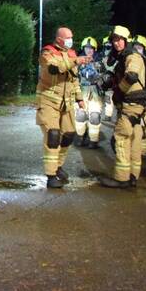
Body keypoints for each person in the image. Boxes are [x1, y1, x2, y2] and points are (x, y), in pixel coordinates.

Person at [35, 26, 91, 188]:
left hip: (66, 103)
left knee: (68, 134)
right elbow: (54, 68)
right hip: (48, 102)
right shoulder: (47, 53)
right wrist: (75, 61)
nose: (70, 40)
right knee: (53, 135)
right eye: (67, 37)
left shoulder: (72, 54)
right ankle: (51, 175)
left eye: (71, 37)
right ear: (58, 39)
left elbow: (74, 81)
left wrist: (80, 98)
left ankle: (58, 166)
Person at [99, 25, 146, 189]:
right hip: (138, 107)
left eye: (120, 39)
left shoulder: (132, 56)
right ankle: (133, 177)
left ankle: (121, 179)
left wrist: (118, 92)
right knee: (134, 142)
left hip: (131, 105)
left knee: (121, 138)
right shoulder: (125, 57)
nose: (116, 43)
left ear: (126, 40)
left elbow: (132, 76)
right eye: (114, 39)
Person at [75, 37, 103, 148]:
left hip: (95, 93)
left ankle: (93, 140)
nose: (89, 50)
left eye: (91, 48)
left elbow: (106, 77)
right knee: (80, 115)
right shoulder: (78, 61)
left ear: (95, 49)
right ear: (83, 49)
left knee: (94, 116)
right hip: (81, 91)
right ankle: (81, 137)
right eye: (87, 48)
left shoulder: (100, 62)